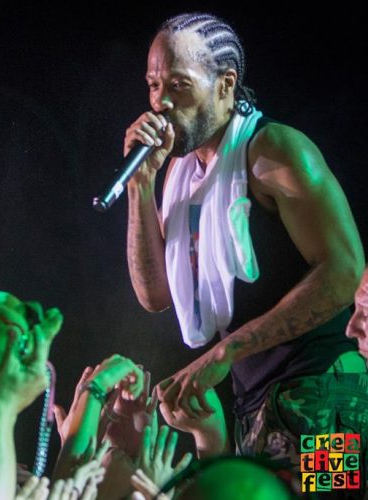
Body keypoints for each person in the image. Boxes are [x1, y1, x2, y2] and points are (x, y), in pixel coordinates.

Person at [122, 12, 366, 473]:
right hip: (255, 404)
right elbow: (154, 295)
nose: (160, 102)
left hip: (326, 393)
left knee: (331, 494)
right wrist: (141, 186)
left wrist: (227, 350)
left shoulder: (275, 149)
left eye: (178, 85)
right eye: (154, 85)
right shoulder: (177, 174)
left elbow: (344, 271)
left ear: (225, 84)